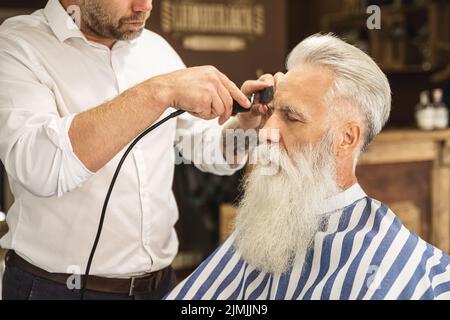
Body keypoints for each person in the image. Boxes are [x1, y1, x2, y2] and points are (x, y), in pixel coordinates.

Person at [0, 0, 269, 300]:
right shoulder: (19, 46)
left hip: (160, 287)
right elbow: (40, 167)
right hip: (56, 289)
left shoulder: (156, 49)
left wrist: (247, 127)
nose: (145, 6)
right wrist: (156, 92)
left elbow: (207, 149)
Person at [166, 34, 450, 300]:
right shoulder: (265, 226)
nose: (264, 133)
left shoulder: (391, 268)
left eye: (291, 117)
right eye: (273, 112)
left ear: (346, 139)